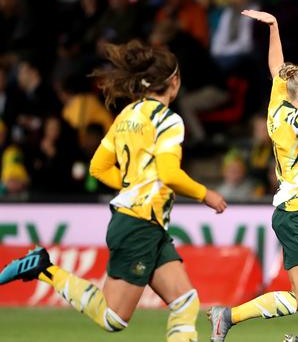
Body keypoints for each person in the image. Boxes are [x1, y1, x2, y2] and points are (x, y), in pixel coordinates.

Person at [0, 40, 227, 342]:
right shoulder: (169, 120)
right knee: (114, 318)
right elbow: (170, 174)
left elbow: (98, 167)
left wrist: (134, 184)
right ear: (174, 82)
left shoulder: (128, 116)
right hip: (139, 225)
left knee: (185, 302)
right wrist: (205, 194)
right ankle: (44, 268)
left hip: (144, 223)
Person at [207, 10, 298, 342]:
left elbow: (277, 68)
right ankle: (228, 316)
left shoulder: (279, 100)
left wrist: (274, 27)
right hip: (296, 214)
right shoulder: (294, 121)